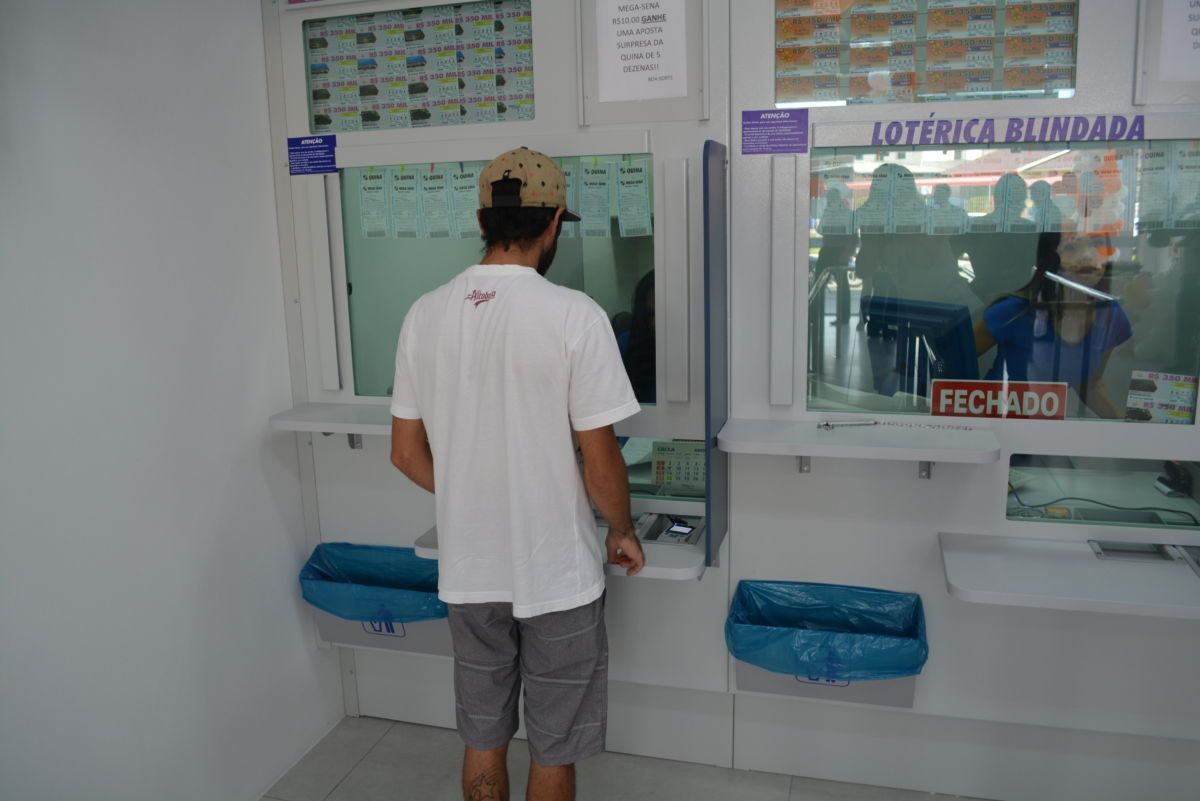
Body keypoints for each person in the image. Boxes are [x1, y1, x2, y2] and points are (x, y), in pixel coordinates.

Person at [388, 146, 646, 801]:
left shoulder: (424, 314)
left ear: (482, 217)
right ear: (555, 221)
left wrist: (477, 493)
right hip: (557, 573)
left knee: (483, 731)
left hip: (469, 572)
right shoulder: (574, 317)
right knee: (555, 743)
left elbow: (406, 453)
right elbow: (601, 459)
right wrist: (622, 529)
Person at [973, 234, 1133, 418]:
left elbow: (1089, 383)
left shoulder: (1110, 315)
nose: (1087, 256)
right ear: (1052, 257)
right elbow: (955, 362)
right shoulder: (1014, 311)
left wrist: (1125, 430)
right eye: (1071, 248)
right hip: (996, 422)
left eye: (1097, 245)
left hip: (1047, 428)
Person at [622, 271, 655, 402]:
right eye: (649, 314)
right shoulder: (626, 344)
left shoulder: (695, 347)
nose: (654, 323)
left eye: (662, 313)